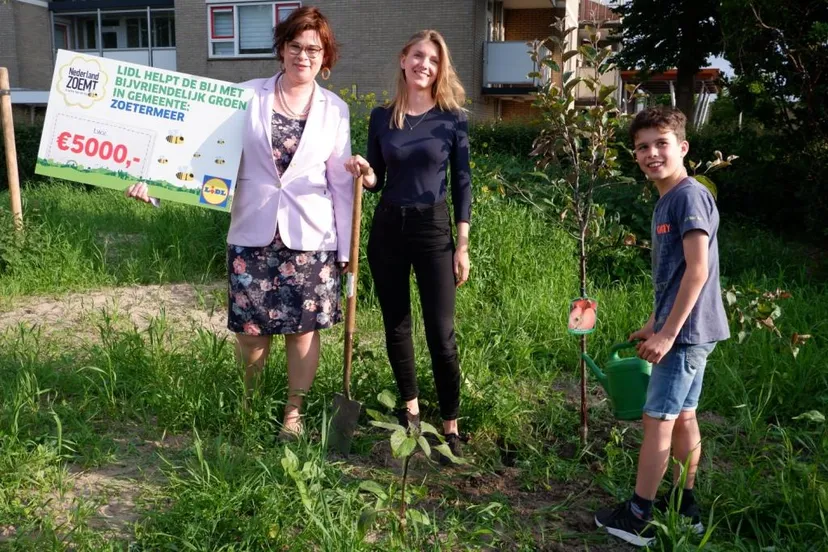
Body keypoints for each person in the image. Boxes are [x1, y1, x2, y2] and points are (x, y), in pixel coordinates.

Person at [126, 7, 353, 440]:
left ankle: (293, 412)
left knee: (302, 331)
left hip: (312, 234)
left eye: (313, 49)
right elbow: (199, 148)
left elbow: (340, 183)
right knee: (251, 332)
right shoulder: (247, 95)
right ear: (281, 49)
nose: (302, 56)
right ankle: (250, 405)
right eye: (295, 46)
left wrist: (345, 251)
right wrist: (152, 185)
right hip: (252, 230)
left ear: (325, 56)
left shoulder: (335, 110)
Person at [594, 107, 730, 546]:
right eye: (642, 147)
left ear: (683, 148)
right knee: (684, 415)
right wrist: (654, 322)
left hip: (686, 335)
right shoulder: (669, 198)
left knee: (658, 421)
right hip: (693, 329)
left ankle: (638, 516)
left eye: (661, 143)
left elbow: (697, 270)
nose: (652, 153)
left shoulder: (688, 197)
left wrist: (668, 333)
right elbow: (675, 276)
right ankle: (685, 507)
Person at [344, 29, 471, 463]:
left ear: (441, 68)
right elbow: (377, 180)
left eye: (433, 60)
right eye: (418, 56)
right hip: (388, 230)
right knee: (396, 324)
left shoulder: (452, 118)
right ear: (403, 59)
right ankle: (412, 411)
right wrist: (365, 171)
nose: (425, 65)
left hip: (433, 229)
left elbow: (462, 183)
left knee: (441, 334)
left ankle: (451, 424)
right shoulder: (383, 117)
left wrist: (462, 244)